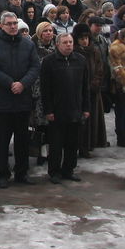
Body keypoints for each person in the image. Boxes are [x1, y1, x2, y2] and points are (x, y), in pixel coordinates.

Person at [0, 11, 41, 189]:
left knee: (22, 140)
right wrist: (10, 83)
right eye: (9, 24)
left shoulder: (27, 44)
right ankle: (2, 173)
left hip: (23, 99)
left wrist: (23, 83)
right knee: (1, 140)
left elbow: (34, 66)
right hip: (3, 100)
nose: (13, 26)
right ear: (2, 25)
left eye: (15, 23)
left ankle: (22, 172)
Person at [40, 33, 90, 184]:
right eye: (65, 42)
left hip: (75, 108)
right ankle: (54, 171)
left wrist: (86, 108)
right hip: (57, 110)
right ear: (57, 44)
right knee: (56, 143)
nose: (68, 45)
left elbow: (85, 86)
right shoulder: (49, 62)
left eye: (70, 42)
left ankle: (69, 169)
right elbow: (45, 88)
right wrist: (48, 110)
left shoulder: (80, 60)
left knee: (72, 143)